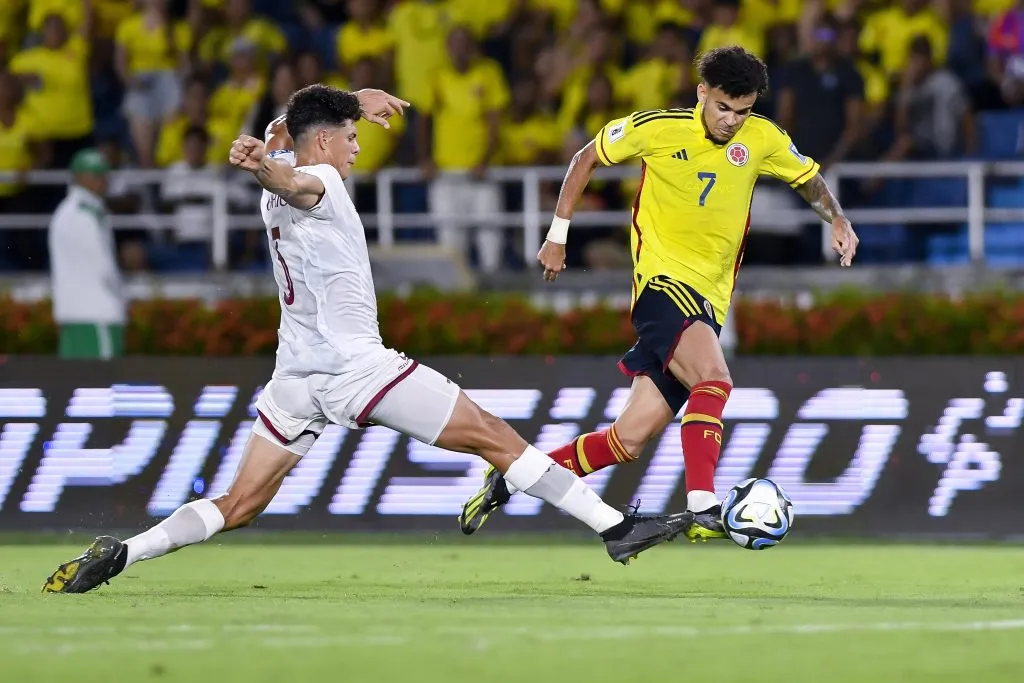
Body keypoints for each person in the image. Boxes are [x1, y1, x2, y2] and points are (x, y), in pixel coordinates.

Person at [42, 86, 693, 594]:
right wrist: (270, 171)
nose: (358, 146)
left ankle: (126, 550)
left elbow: (286, 135)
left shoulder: (285, 150)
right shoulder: (315, 180)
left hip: (295, 377)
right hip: (358, 368)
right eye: (351, 136)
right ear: (323, 144)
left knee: (237, 504)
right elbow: (294, 181)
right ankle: (614, 527)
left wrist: (337, 110)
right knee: (496, 437)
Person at [459, 46, 859, 540]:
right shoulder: (657, 128)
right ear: (702, 93)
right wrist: (556, 235)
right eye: (723, 108)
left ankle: (509, 479)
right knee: (714, 380)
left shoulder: (763, 138)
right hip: (663, 285)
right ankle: (704, 504)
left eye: (743, 111)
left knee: (624, 441)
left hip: (709, 300)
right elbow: (585, 159)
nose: (732, 121)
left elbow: (809, 180)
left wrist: (837, 217)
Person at [47, 148, 125, 360]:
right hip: (98, 315)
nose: (102, 181)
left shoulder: (65, 212)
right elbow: (103, 267)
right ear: (79, 177)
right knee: (101, 387)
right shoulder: (86, 213)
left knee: (74, 388)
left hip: (73, 315)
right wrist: (120, 296)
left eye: (104, 174)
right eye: (95, 175)